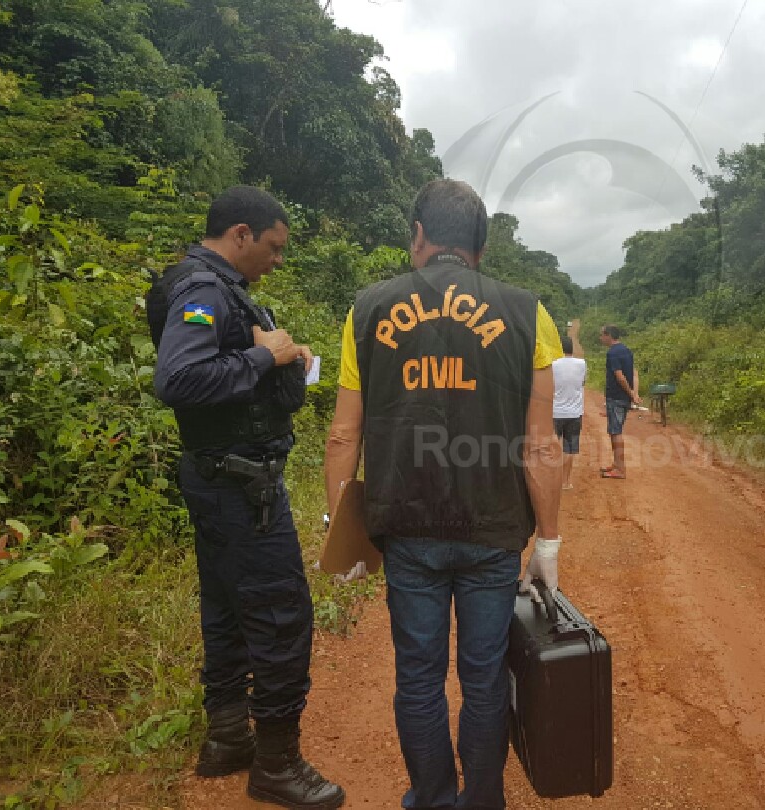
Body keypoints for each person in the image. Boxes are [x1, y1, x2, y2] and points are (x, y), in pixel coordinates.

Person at [323, 179, 564, 810]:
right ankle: (481, 801)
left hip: (407, 531)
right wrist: (551, 542)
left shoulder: (369, 308)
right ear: (481, 248)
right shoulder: (526, 312)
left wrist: (339, 528)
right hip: (492, 531)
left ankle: (431, 799)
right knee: (485, 680)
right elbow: (542, 445)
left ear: (419, 236)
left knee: (418, 679)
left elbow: (343, 434)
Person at [147, 186, 344, 810]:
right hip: (240, 487)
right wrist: (263, 358)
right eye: (274, 247)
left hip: (219, 480)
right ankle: (277, 765)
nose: (278, 259)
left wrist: (283, 361)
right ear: (239, 234)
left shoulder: (218, 291)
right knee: (282, 614)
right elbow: (177, 378)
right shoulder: (204, 292)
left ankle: (229, 736)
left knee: (227, 609)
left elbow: (226, 372)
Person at [599, 324, 641, 479]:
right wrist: (634, 394)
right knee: (613, 431)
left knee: (616, 432)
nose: (601, 338)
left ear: (609, 335)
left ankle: (620, 469)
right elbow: (634, 373)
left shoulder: (613, 353)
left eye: (602, 335)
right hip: (622, 398)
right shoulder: (627, 351)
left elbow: (620, 376)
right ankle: (616, 464)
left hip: (616, 398)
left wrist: (631, 394)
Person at [552, 323, 587, 490]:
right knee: (569, 448)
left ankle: (551, 480)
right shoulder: (582, 364)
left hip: (555, 411)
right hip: (574, 413)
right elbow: (583, 383)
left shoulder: (553, 365)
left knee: (552, 446)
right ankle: (566, 482)